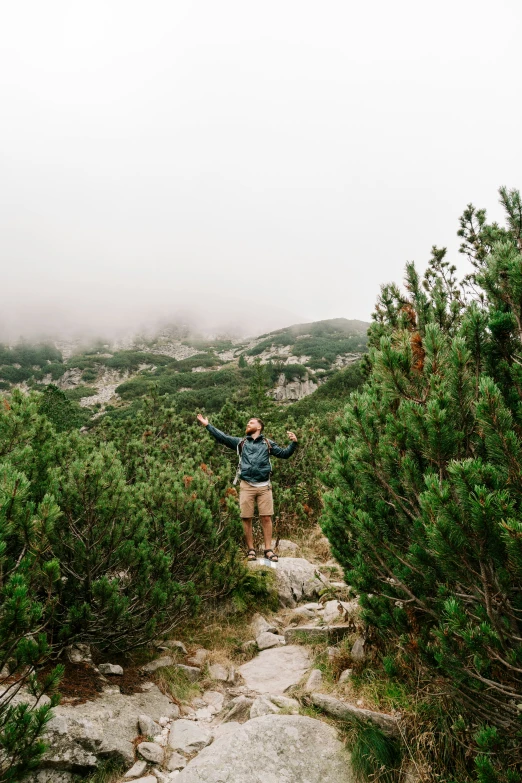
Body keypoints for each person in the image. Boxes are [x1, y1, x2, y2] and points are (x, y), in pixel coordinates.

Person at [197, 414, 298, 562]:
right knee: (246, 517)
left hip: (264, 486)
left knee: (266, 517)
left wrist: (294, 443)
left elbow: (284, 454)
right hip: (246, 485)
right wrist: (208, 425)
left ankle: (268, 550)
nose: (247, 425)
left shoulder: (268, 443)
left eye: (251, 423)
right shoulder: (241, 442)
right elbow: (223, 437)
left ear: (259, 427)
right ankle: (251, 550)